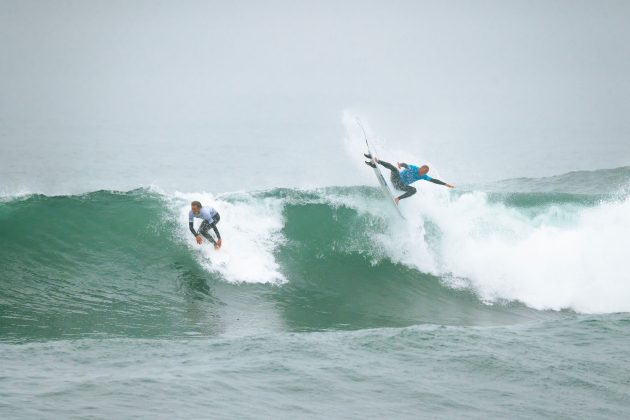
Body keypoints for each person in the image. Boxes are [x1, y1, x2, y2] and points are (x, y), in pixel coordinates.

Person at [364, 154, 454, 204]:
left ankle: (398, 199)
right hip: (395, 178)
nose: (421, 173)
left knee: (414, 190)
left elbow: (434, 180)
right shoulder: (414, 168)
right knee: (394, 169)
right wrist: (400, 165)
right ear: (420, 168)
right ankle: (378, 161)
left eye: (423, 173)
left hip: (400, 186)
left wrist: (445, 184)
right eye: (421, 171)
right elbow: (405, 165)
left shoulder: (423, 176)